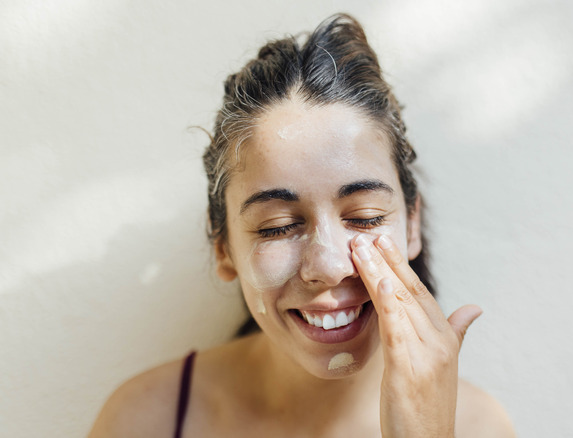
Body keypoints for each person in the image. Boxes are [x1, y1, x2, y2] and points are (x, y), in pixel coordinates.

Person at [88, 13, 514, 437]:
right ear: (223, 247)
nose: (329, 266)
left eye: (364, 217)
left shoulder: (480, 427)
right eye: (276, 226)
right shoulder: (145, 419)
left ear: (411, 224)